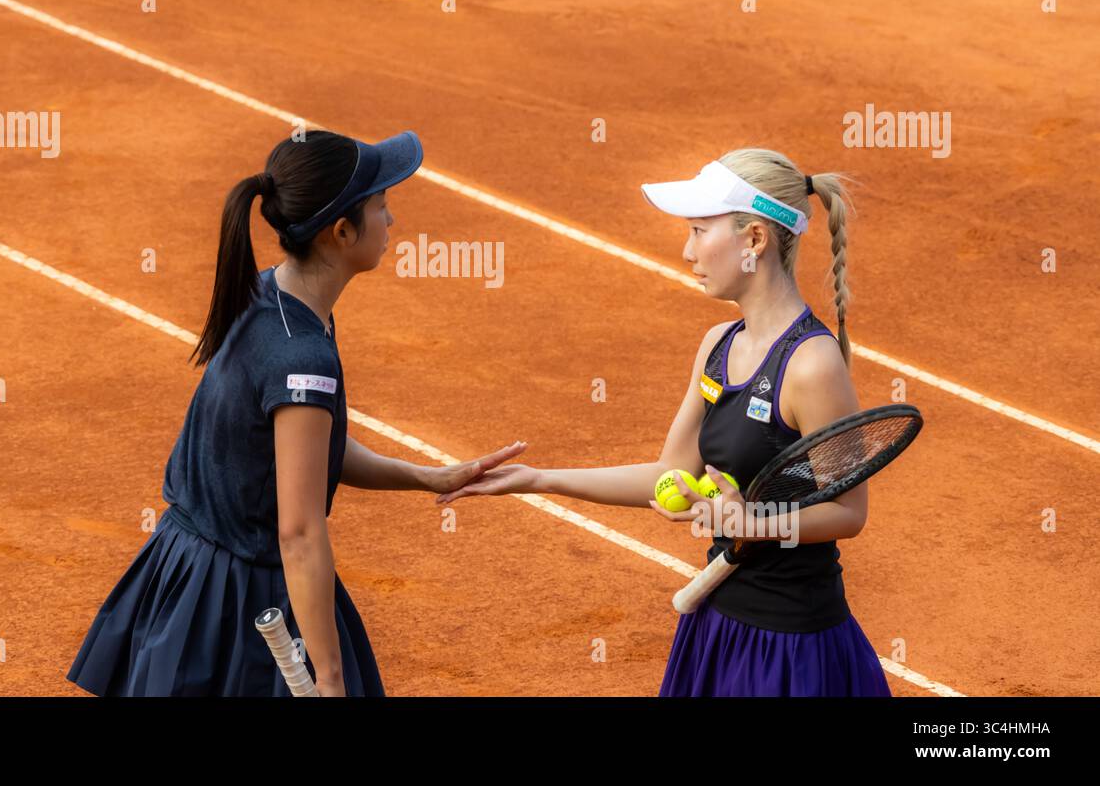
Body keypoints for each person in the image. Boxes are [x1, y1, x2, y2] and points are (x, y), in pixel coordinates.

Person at [66, 128, 526, 696]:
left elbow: (297, 453)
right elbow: (300, 534)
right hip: (243, 605)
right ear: (341, 232)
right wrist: (329, 679)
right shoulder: (302, 356)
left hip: (188, 574)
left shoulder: (267, 294)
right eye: (382, 206)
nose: (392, 221)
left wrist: (425, 476)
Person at [437, 148, 890, 696]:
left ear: (754, 241)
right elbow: (668, 473)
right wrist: (539, 479)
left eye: (700, 231)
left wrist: (756, 521)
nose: (687, 250)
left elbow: (848, 511)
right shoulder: (717, 347)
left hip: (793, 647)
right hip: (717, 627)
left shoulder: (813, 365)